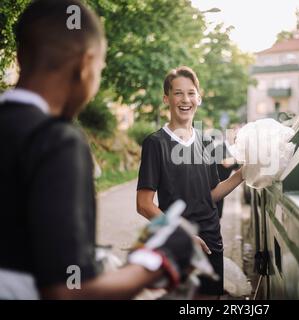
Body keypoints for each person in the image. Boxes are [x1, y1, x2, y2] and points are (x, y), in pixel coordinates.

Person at [0, 0, 195, 299]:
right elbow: (68, 291)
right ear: (85, 63)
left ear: (21, 54)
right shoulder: (57, 141)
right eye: (100, 67)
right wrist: (158, 261)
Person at [136, 66, 244, 298]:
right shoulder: (156, 143)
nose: (185, 99)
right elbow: (144, 204)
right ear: (167, 98)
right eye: (178, 93)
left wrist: (241, 175)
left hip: (211, 240)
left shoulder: (207, 141)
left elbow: (211, 193)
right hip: (178, 244)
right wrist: (182, 235)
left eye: (191, 93)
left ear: (199, 98)